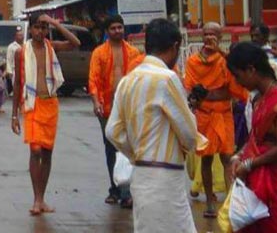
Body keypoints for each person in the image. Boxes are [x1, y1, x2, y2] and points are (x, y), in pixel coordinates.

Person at [106, 18, 199, 233]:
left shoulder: (127, 81)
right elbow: (190, 135)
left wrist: (135, 153)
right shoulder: (167, 79)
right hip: (166, 176)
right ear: (175, 46)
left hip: (141, 174)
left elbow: (112, 131)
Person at [228, 42, 277, 232]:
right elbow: (255, 137)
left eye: (237, 76)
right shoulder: (260, 99)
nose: (237, 82)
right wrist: (238, 156)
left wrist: (249, 164)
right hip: (261, 178)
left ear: (251, 70)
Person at [11, 13, 81, 216]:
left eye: (43, 28)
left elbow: (75, 42)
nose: (40, 31)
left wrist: (54, 22)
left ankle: (42, 198)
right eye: (37, 27)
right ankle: (36, 199)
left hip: (50, 104)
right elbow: (17, 83)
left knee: (47, 153)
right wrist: (14, 114)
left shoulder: (52, 47)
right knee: (35, 151)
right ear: (30, 29)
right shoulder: (21, 52)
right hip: (32, 104)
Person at [184, 22, 247, 218]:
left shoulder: (224, 60)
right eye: (206, 34)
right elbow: (195, 88)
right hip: (205, 115)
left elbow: (235, 84)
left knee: (227, 157)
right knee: (206, 158)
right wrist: (210, 94)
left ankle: (230, 201)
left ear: (220, 38)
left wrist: (219, 52)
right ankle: (210, 202)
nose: (209, 37)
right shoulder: (193, 61)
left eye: (213, 35)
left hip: (223, 114)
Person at [88, 14, 142, 208]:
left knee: (128, 148)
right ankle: (115, 188)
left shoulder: (134, 52)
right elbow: (93, 79)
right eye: (113, 28)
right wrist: (96, 102)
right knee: (111, 148)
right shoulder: (99, 53)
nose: (117, 31)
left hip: (128, 108)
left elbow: (138, 79)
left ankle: (128, 191)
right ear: (107, 31)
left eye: (120, 27)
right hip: (107, 107)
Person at [5, 26, 24, 96]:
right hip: (15, 70)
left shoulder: (26, 45)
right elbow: (9, 60)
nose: (21, 37)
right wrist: (9, 72)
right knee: (17, 88)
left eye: (22, 35)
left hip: (25, 69)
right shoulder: (11, 46)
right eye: (19, 35)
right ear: (15, 36)